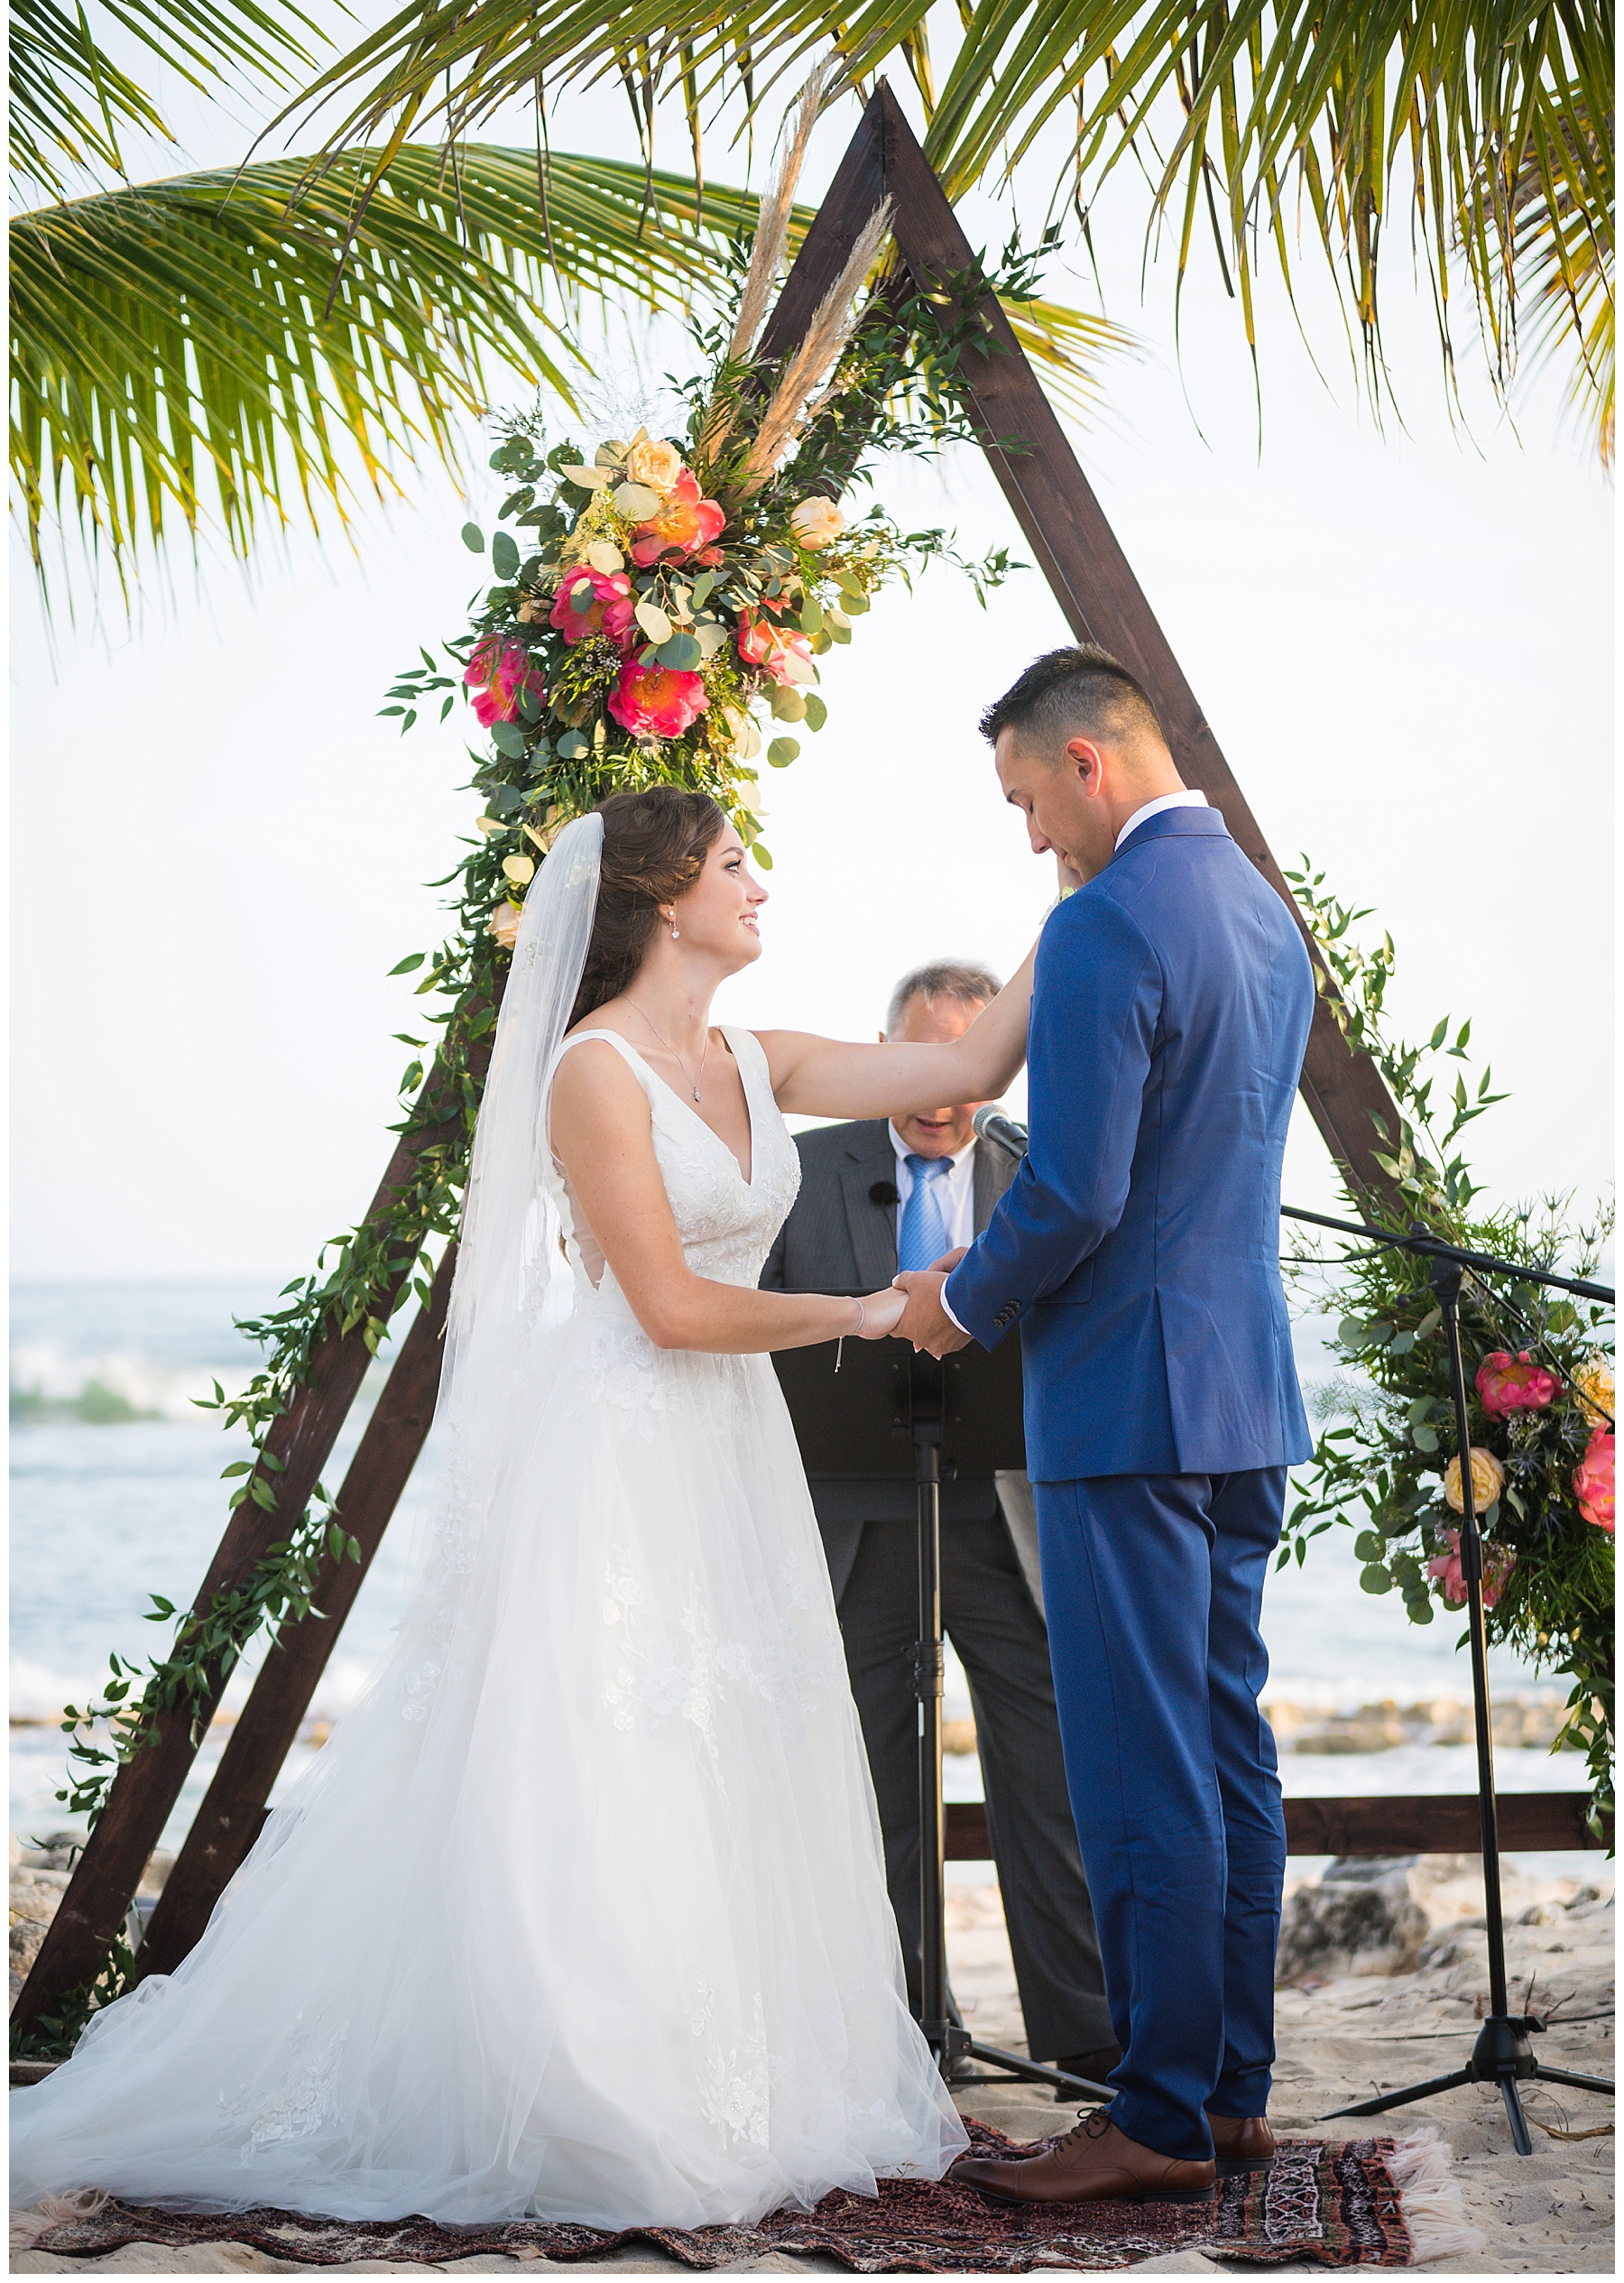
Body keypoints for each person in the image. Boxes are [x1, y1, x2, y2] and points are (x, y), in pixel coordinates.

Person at [12, 789, 1046, 2230]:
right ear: (664, 895)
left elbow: (977, 1051)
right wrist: (873, 1306)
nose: (763, 884)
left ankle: (734, 2066)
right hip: (624, 1447)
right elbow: (672, 1307)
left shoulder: (766, 1053)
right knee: (614, 1748)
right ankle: (600, 2084)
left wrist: (1087, 887)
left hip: (734, 1450)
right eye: (737, 864)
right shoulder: (590, 1072)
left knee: (740, 1737)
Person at [894, 645, 1314, 2210]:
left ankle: (1150, 2115)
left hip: (1125, 1407)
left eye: (1023, 799)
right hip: (1243, 1396)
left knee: (1138, 1771)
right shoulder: (1266, 913)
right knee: (1226, 1746)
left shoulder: (1100, 926)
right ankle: (1230, 2095)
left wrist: (961, 1299)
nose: (1026, 841)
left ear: (1086, 763)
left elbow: (1074, 1192)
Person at [760, 960, 1116, 2082]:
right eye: (923, 1069)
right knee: (871, 1779)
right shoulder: (804, 1171)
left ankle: (1086, 2039)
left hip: (1008, 1518)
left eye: (965, 1078)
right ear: (888, 1051)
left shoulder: (1042, 1173)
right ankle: (903, 2037)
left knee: (1049, 1775)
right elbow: (758, 1337)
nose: (943, 1103)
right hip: (856, 1519)